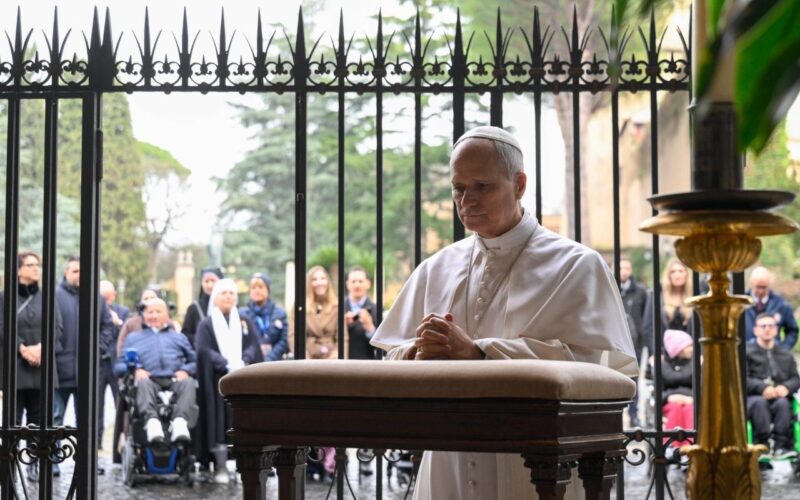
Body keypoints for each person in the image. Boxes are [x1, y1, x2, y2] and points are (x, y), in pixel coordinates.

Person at [370, 126, 636, 499]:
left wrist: (478, 352)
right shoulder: (436, 268)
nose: (468, 201)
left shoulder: (577, 265)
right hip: (450, 458)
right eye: (459, 188)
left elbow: (590, 370)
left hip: (539, 461)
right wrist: (417, 352)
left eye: (483, 186)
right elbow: (392, 359)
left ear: (520, 184)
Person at [0, 251, 64, 482]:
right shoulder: (4, 297)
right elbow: (2, 327)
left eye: (38, 265)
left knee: (39, 420)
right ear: (18, 270)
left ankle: (34, 464)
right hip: (16, 368)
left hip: (42, 367)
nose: (36, 269)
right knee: (13, 421)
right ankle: (10, 465)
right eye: (30, 265)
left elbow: (57, 328)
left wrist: (41, 348)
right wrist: (23, 349)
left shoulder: (48, 296)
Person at [196, 278, 263, 484]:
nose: (228, 297)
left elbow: (254, 345)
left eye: (232, 293)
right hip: (217, 380)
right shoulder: (206, 324)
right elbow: (203, 350)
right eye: (223, 293)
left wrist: (245, 361)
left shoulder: (244, 321)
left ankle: (243, 463)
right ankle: (221, 464)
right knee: (218, 421)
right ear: (215, 297)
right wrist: (224, 363)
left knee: (240, 420)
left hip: (242, 380)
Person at [54, 255, 113, 476]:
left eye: (83, 271)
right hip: (59, 371)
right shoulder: (55, 296)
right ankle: (52, 461)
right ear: (66, 273)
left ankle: (87, 461)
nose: (80, 275)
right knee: (55, 419)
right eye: (75, 271)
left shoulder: (96, 299)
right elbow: (49, 328)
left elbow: (107, 327)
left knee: (87, 420)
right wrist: (56, 351)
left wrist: (96, 349)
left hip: (88, 372)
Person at [114, 299, 196, 445]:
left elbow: (195, 361)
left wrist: (185, 370)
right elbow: (118, 366)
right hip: (149, 380)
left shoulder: (178, 337)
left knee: (188, 382)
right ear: (143, 315)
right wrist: (135, 370)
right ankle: (152, 422)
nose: (154, 316)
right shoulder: (133, 338)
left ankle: (180, 422)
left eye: (158, 311)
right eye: (150, 312)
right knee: (143, 382)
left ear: (167, 315)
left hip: (174, 380)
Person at [746, 313, 799, 461]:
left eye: (771, 326)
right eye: (763, 326)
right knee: (759, 403)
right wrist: (762, 388)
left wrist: (786, 387)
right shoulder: (746, 353)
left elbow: (795, 378)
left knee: (783, 404)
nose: (767, 329)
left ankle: (781, 446)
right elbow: (742, 379)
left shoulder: (786, 354)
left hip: (780, 397)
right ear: (756, 330)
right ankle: (763, 444)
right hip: (754, 398)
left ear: (776, 330)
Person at [98, 279, 130, 448]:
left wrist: (119, 323)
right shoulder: (93, 310)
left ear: (114, 296)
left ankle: (120, 445)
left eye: (108, 296)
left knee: (120, 405)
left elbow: (131, 334)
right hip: (98, 365)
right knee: (96, 408)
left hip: (117, 366)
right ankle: (96, 445)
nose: (105, 300)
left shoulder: (123, 312)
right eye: (102, 296)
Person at [618, 256, 648, 427]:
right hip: (615, 343)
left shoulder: (640, 292)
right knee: (615, 378)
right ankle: (617, 416)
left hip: (634, 342)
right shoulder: (611, 288)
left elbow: (645, 317)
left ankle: (634, 415)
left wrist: (643, 341)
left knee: (634, 380)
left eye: (626, 268)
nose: (624, 272)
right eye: (621, 268)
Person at [643, 258, 694, 355]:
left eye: (681, 271)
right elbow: (648, 327)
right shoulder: (657, 295)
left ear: (686, 274)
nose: (677, 275)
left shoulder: (694, 295)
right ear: (668, 275)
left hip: (690, 354)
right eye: (673, 272)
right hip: (664, 353)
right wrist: (656, 354)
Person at [238, 272, 289, 361]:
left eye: (261, 287)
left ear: (268, 290)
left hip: (275, 363)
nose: (257, 291)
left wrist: (270, 358)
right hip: (250, 363)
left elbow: (284, 340)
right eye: (253, 288)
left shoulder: (280, 313)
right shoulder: (242, 314)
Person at [744, 266, 798, 350]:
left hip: (772, 356)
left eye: (764, 287)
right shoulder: (741, 303)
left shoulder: (781, 304)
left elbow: (792, 330)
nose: (761, 291)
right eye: (758, 287)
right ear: (751, 284)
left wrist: (783, 350)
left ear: (769, 284)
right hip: (747, 356)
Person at [661, 329, 695, 454]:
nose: (691, 349)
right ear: (678, 348)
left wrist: (691, 398)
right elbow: (657, 391)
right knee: (675, 408)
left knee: (689, 409)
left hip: (691, 401)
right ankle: (671, 445)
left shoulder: (697, 363)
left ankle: (689, 447)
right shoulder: (662, 365)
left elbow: (701, 388)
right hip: (669, 403)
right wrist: (669, 397)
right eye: (688, 346)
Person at [305, 265, 344, 360]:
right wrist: (304, 356)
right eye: (314, 279)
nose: (319, 282)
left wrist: (337, 354)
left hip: (331, 358)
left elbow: (343, 336)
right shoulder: (301, 306)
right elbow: (293, 335)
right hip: (309, 357)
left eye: (323, 278)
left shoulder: (337, 306)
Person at [181, 267, 223, 346]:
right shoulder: (194, 308)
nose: (210, 285)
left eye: (213, 281)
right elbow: (185, 334)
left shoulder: (228, 307)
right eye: (206, 281)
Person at [345, 266, 378, 361]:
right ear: (347, 284)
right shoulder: (338, 307)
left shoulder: (376, 309)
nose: (357, 285)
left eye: (360, 281)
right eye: (353, 281)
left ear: (368, 284)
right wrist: (343, 327)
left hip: (366, 366)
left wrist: (370, 329)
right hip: (340, 365)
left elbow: (383, 347)